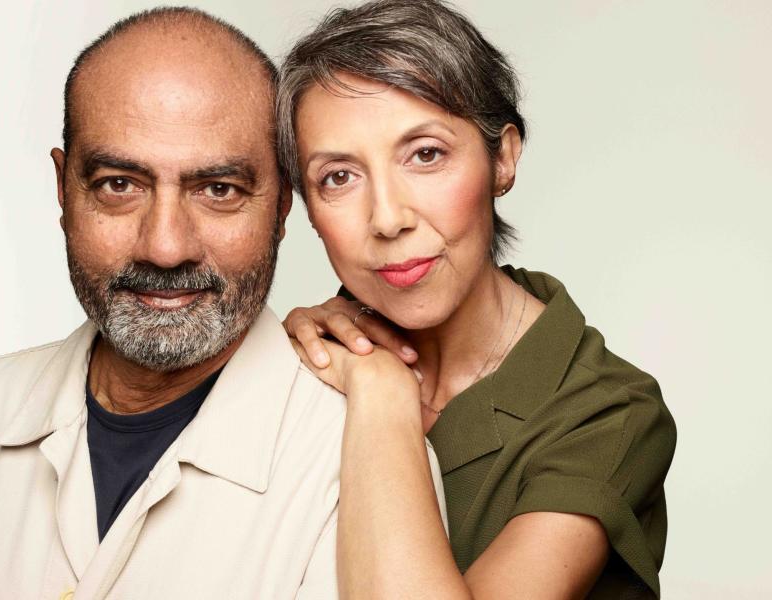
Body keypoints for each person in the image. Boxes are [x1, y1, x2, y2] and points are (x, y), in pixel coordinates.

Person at [0, 7, 446, 599]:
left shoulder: (358, 458)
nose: (166, 247)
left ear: (282, 207)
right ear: (62, 189)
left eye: (218, 189)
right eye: (120, 185)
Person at [277, 1, 677, 598]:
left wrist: (382, 392)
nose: (388, 219)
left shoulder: (610, 414)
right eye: (339, 176)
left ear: (503, 157)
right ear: (304, 209)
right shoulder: (297, 362)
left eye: (426, 154)